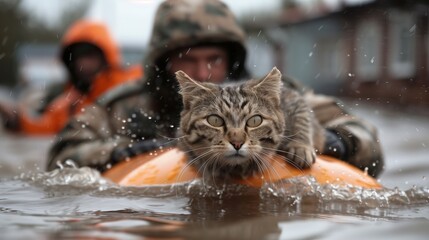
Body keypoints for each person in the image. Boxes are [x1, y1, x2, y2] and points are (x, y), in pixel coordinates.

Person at [47, 0, 384, 177]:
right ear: (163, 64)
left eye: (214, 59)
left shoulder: (273, 95)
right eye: (187, 60)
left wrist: (335, 143)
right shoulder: (124, 103)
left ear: (233, 61)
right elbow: (60, 158)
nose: (203, 72)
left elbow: (366, 137)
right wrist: (118, 153)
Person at [0, 20, 142, 135]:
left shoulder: (134, 81)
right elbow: (44, 128)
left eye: (89, 55)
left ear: (106, 57)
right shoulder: (69, 104)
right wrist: (16, 120)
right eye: (77, 57)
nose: (83, 63)